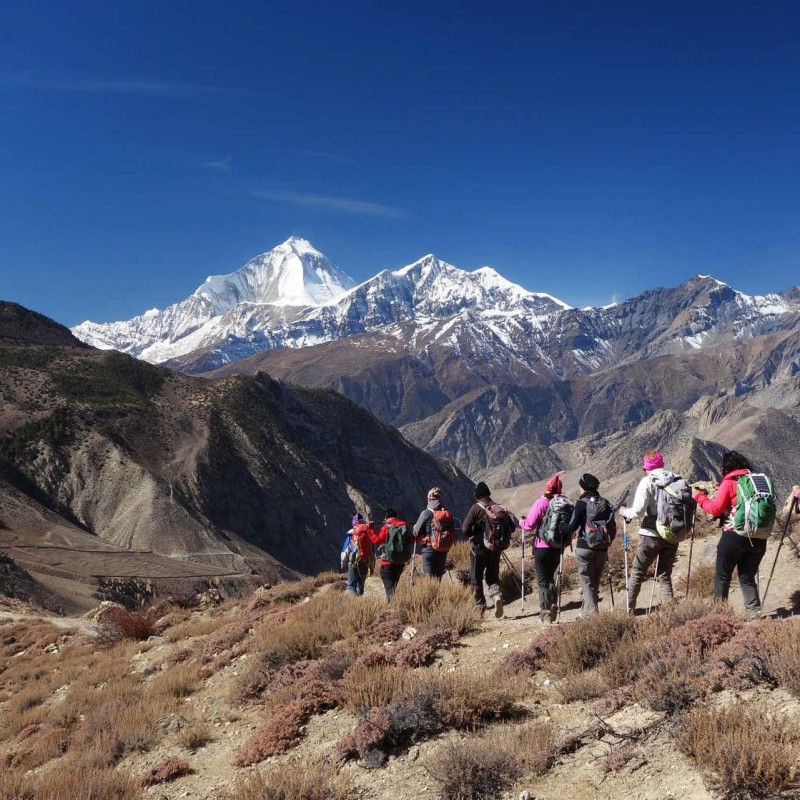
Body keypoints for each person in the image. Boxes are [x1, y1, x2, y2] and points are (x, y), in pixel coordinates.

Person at [693, 450, 769, 618]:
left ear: (726, 467)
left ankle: (719, 617)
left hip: (734, 536)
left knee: (722, 575)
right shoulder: (756, 482)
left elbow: (715, 508)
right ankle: (754, 614)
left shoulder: (729, 483)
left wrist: (698, 497)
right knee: (747, 577)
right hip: (759, 537)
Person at [619, 450, 681, 614]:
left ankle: (626, 611)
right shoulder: (677, 479)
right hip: (673, 533)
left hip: (650, 534)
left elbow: (638, 511)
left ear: (646, 467)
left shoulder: (648, 481)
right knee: (664, 574)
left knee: (638, 572)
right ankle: (671, 612)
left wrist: (625, 512)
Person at [559, 473, 616, 616]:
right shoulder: (605, 502)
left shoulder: (581, 503)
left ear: (583, 487)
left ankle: (591, 615)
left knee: (586, 583)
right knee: (594, 583)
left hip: (584, 547)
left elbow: (571, 527)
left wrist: (562, 525)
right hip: (602, 548)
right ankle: (584, 613)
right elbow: (612, 526)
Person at [520, 472, 569, 623]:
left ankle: (546, 613)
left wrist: (521, 522)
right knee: (550, 578)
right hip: (557, 547)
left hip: (542, 547)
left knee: (543, 580)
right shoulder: (564, 503)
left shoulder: (541, 503)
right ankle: (553, 606)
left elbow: (529, 525)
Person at [462, 482, 505, 617]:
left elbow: (465, 529)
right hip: (495, 549)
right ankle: (496, 596)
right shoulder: (497, 508)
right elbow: (511, 528)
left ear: (477, 496)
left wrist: (475, 532)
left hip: (478, 549)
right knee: (492, 577)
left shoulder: (475, 509)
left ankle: (480, 608)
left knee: (476, 578)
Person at [367, 508, 414, 602]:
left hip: (387, 563)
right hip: (400, 563)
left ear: (386, 517)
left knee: (389, 589)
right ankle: (394, 605)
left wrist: (371, 529)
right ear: (396, 516)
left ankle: (392, 608)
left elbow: (377, 540)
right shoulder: (404, 526)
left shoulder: (386, 527)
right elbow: (412, 540)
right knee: (393, 588)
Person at [412, 486, 448, 579]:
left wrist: (415, 526)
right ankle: (438, 593)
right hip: (443, 550)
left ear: (429, 499)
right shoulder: (445, 513)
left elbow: (416, 532)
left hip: (429, 549)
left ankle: (430, 593)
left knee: (428, 579)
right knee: (438, 578)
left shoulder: (426, 513)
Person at [340, 513, 373, 597]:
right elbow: (372, 552)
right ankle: (359, 603)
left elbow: (345, 551)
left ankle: (355, 604)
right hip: (365, 563)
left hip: (353, 563)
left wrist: (343, 564)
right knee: (360, 586)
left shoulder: (351, 534)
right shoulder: (368, 533)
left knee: (351, 586)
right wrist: (372, 567)